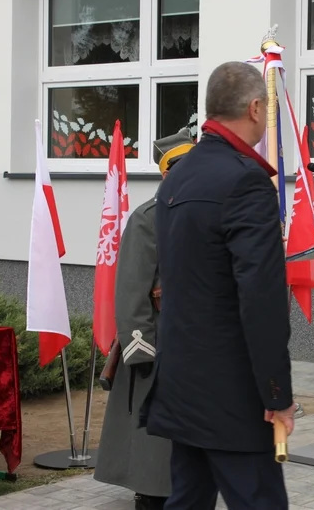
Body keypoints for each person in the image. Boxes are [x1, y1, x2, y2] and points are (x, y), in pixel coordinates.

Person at [141, 61, 296, 510]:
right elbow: (260, 298)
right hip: (230, 393)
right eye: (266, 110)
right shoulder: (246, 181)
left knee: (188, 501)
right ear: (254, 108)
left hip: (182, 381)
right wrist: (277, 393)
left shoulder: (181, 174)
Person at [94, 129, 195, 510]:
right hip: (161, 347)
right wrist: (142, 352)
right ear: (166, 174)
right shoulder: (148, 220)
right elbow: (132, 291)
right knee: (155, 460)